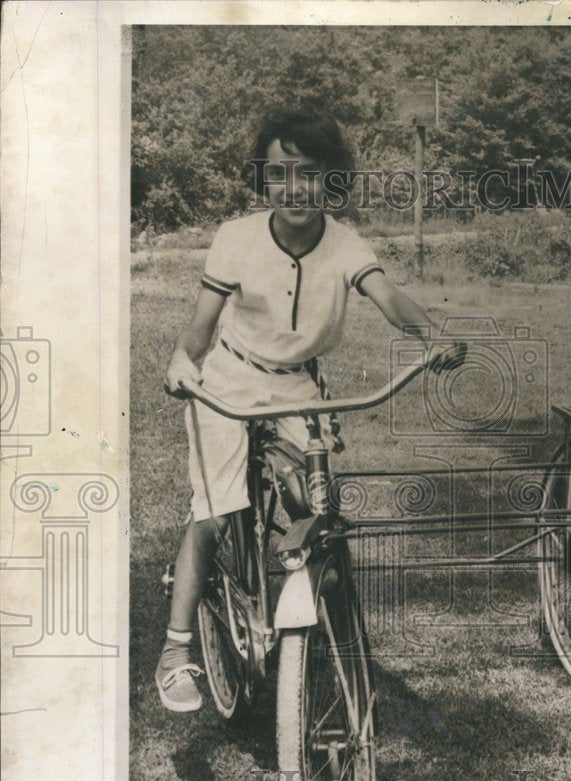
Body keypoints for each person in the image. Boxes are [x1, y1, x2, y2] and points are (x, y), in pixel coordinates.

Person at [157, 107, 456, 712]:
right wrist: (183, 362)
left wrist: (430, 333)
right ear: (263, 180)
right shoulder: (236, 237)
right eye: (280, 174)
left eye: (310, 174)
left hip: (298, 388)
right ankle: (175, 649)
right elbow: (200, 328)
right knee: (214, 513)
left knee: (315, 510)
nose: (295, 189)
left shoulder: (345, 244)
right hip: (231, 379)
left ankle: (328, 628)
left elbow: (388, 296)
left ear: (331, 181)